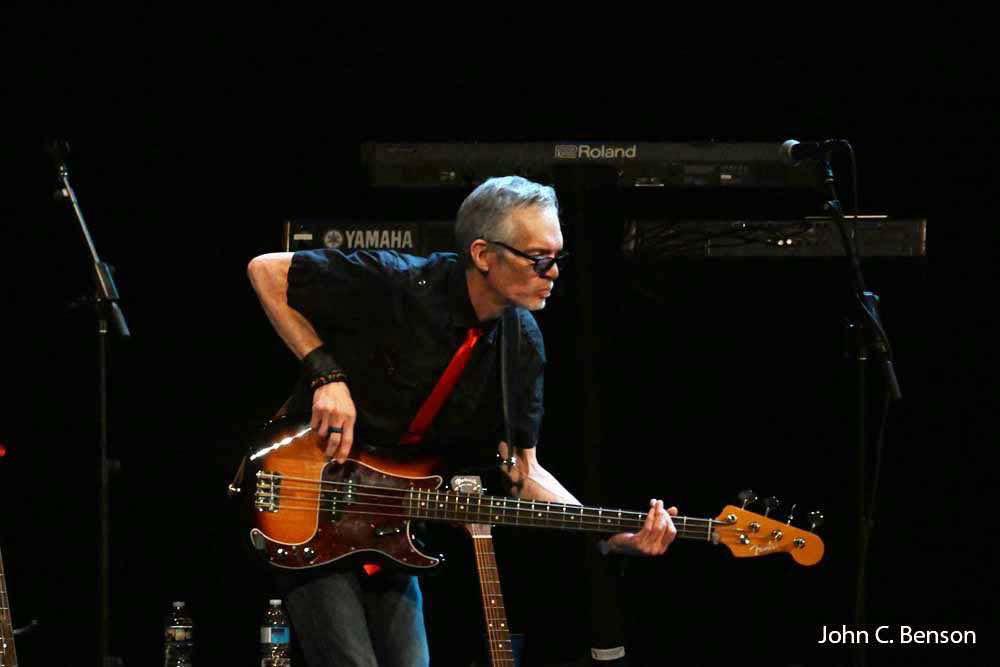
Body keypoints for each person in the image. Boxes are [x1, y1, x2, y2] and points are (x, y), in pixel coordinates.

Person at [246, 175, 678, 667]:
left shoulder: (521, 342)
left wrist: (607, 534)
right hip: (308, 491)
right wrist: (327, 376)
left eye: (558, 257)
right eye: (538, 258)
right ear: (483, 254)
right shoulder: (400, 283)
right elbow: (266, 271)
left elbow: (524, 472)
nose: (554, 272)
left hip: (391, 524)